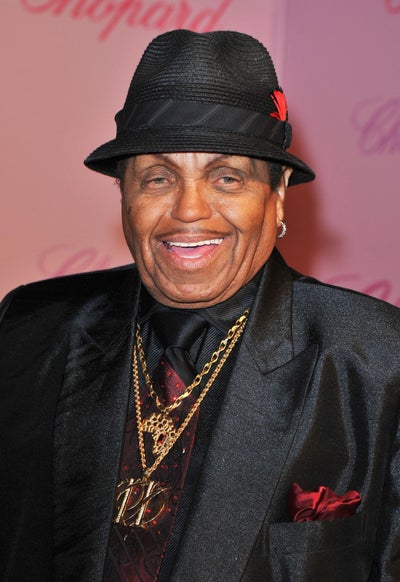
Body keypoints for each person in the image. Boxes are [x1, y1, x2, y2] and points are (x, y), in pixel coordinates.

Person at [0, 29, 399, 582]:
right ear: (124, 193)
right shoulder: (29, 330)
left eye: (226, 177)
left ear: (278, 191)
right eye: (158, 177)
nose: (189, 210)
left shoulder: (377, 361)